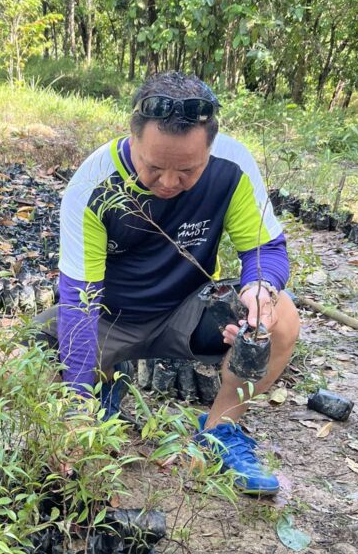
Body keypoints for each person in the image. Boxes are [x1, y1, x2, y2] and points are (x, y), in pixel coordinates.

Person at [35, 72, 300, 495]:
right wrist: (75, 409)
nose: (170, 183)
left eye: (188, 170)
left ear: (210, 149)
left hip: (187, 312)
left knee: (282, 317)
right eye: (153, 168)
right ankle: (101, 394)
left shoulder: (232, 165)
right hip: (109, 316)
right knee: (27, 361)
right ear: (132, 137)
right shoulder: (92, 183)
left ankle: (219, 431)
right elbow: (80, 302)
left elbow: (265, 251)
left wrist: (260, 289)